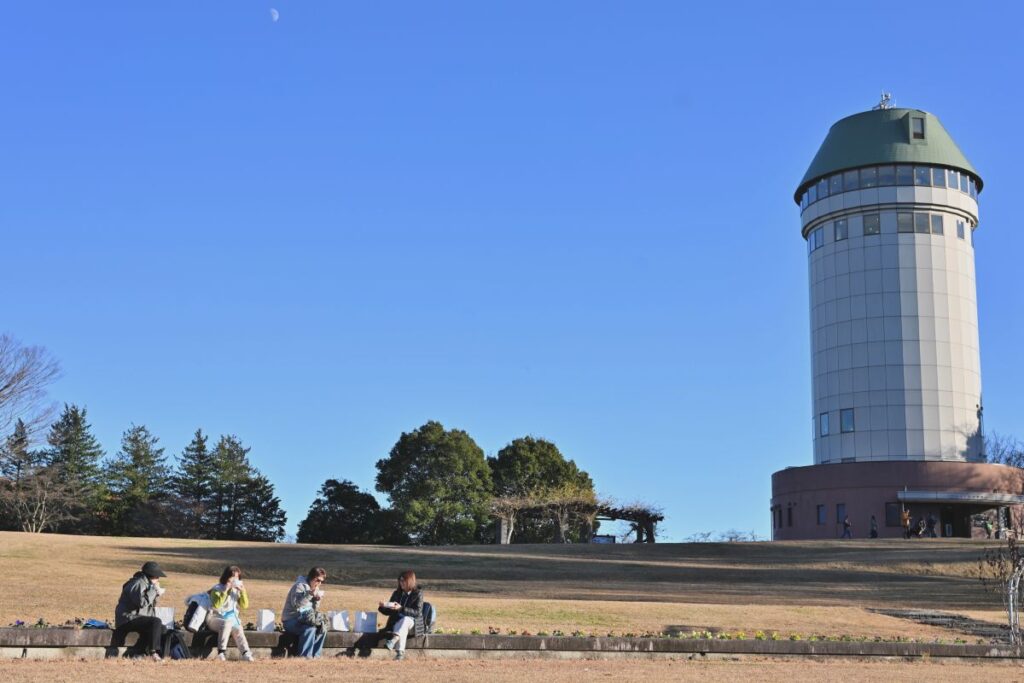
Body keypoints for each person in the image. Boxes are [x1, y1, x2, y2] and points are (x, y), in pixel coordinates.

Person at [113, 561, 167, 660]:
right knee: (156, 622)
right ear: (151, 575)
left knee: (162, 628)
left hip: (137, 617)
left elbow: (149, 607)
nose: (158, 579)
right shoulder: (137, 583)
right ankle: (153, 652)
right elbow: (141, 603)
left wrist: (156, 593)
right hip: (127, 619)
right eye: (157, 576)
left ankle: (140, 653)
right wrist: (154, 590)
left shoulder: (148, 585)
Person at [207, 565, 253, 661]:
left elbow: (244, 606)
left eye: (237, 577)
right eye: (233, 577)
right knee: (227, 623)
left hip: (232, 619)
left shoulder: (236, 590)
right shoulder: (217, 589)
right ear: (226, 577)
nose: (234, 580)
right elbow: (216, 605)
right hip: (214, 618)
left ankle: (246, 653)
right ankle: (221, 652)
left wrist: (243, 592)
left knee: (238, 628)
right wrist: (225, 590)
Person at [378, 569, 424, 661]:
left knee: (406, 619)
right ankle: (400, 653)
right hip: (397, 623)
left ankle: (394, 640)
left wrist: (401, 609)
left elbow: (417, 612)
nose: (401, 583)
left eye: (403, 580)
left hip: (413, 624)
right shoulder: (397, 593)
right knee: (402, 624)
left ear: (410, 581)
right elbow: (389, 612)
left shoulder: (418, 594)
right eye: (400, 580)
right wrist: (383, 607)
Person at [282, 567, 327, 658]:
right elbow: (296, 605)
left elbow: (314, 609)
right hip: (291, 619)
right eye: (318, 580)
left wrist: (317, 600)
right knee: (310, 629)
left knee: (322, 628)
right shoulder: (299, 586)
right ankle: (305, 657)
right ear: (312, 577)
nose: (319, 583)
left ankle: (315, 656)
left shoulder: (316, 588)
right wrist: (310, 594)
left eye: (321, 581)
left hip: (306, 618)